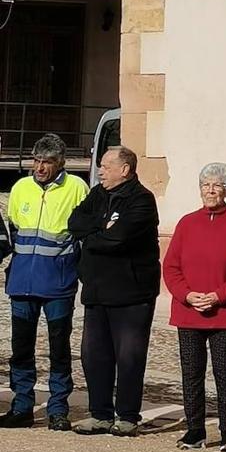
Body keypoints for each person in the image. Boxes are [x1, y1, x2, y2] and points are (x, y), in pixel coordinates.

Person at [162, 163, 226, 452]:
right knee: (191, 373)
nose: (211, 190)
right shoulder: (186, 223)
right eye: (206, 185)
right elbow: (171, 266)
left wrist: (218, 296)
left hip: (225, 313)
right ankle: (195, 429)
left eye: (217, 185)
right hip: (189, 311)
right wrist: (187, 295)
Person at [68, 146, 161, 437]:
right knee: (94, 356)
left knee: (129, 356)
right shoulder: (97, 195)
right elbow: (74, 223)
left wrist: (96, 234)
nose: (100, 171)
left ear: (125, 169)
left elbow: (118, 239)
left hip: (131, 293)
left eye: (106, 166)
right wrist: (101, 225)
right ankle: (100, 414)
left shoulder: (142, 200)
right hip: (96, 290)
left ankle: (128, 416)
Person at [0, 134, 89, 430]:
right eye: (37, 161)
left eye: (47, 162)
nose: (40, 167)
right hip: (22, 283)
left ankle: (58, 409)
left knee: (59, 348)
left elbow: (84, 234)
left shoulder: (77, 188)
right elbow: (15, 229)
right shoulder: (20, 188)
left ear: (60, 163)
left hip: (59, 284)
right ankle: (22, 405)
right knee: (21, 348)